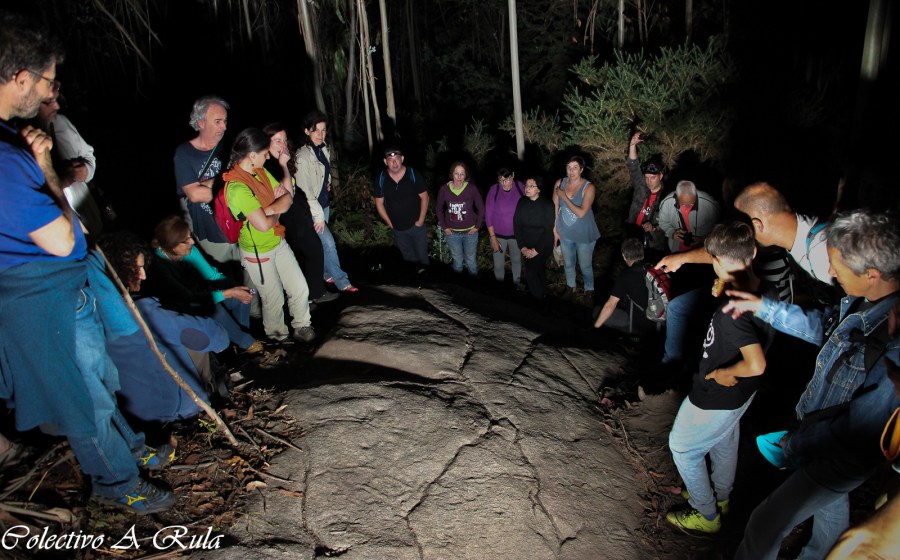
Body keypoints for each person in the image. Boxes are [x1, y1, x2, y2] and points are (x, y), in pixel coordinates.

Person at [0, 13, 173, 514]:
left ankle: (131, 450)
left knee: (100, 379)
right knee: (82, 398)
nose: (53, 90)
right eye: (50, 80)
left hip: (59, 290)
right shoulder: (7, 159)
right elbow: (62, 239)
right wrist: (48, 171)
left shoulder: (12, 141)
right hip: (40, 298)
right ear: (21, 78)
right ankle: (117, 483)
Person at [724, 209, 900, 560]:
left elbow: (860, 430)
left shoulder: (895, 342)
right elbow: (824, 327)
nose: (830, 273)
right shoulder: (862, 300)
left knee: (764, 524)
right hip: (820, 436)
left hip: (838, 452)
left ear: (872, 274)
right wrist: (764, 306)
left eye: (837, 266)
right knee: (829, 511)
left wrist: (794, 444)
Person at [664, 221, 774, 534]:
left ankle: (706, 514)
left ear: (715, 260)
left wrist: (723, 373)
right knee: (724, 439)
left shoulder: (730, 311)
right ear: (753, 252)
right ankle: (721, 497)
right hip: (742, 395)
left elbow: (756, 363)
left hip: (716, 392)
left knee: (683, 448)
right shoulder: (764, 287)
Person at [100, 231, 229, 423]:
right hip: (173, 406)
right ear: (121, 271)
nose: (143, 276)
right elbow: (216, 338)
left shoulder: (91, 313)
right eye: (138, 269)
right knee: (192, 337)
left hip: (128, 413)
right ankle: (208, 393)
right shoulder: (143, 313)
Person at [224, 127, 315, 344]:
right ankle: (278, 339)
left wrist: (269, 210)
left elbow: (288, 199)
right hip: (258, 251)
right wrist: (275, 209)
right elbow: (263, 225)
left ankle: (302, 326)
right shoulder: (237, 188)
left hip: (277, 241)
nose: (268, 157)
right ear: (252, 154)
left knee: (299, 286)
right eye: (265, 153)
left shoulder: (260, 172)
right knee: (272, 299)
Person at [142, 215, 263, 354]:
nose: (192, 241)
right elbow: (190, 299)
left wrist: (236, 288)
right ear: (173, 247)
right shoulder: (159, 267)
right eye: (186, 240)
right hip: (181, 307)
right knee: (214, 309)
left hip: (202, 295)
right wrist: (230, 292)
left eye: (190, 236)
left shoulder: (189, 250)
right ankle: (249, 344)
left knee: (242, 299)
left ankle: (239, 343)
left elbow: (212, 275)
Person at [263, 123, 336, 305]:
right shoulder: (269, 166)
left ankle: (311, 294)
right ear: (266, 143)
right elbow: (289, 194)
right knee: (310, 252)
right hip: (288, 217)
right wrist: (284, 166)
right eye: (277, 140)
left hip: (298, 213)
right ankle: (310, 296)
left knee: (309, 252)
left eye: (284, 140)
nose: (282, 145)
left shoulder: (282, 160)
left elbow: (293, 189)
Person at [293, 111, 358, 293]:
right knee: (328, 243)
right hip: (312, 209)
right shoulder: (302, 157)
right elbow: (304, 190)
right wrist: (318, 216)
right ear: (307, 131)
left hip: (324, 204)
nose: (321, 134)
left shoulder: (324, 149)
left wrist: (326, 184)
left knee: (321, 243)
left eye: (323, 130)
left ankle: (325, 272)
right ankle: (342, 282)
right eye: (316, 131)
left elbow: (325, 171)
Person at [34, 87, 105, 238]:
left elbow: (88, 155)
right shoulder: (18, 141)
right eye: (47, 102)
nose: (56, 106)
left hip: (92, 218)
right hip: (62, 233)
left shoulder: (60, 123)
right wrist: (59, 181)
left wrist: (86, 170)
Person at [173, 95, 234, 268]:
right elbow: (194, 194)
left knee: (251, 279)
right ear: (200, 123)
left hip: (239, 225)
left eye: (225, 121)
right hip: (211, 233)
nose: (224, 126)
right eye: (218, 121)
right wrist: (230, 182)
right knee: (222, 278)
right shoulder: (184, 153)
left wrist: (207, 185)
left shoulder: (229, 146)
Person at [374, 146, 430, 268]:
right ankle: (414, 284)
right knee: (408, 259)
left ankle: (428, 283)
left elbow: (425, 197)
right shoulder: (381, 178)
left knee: (423, 258)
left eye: (397, 158)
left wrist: (420, 221)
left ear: (402, 159)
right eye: (390, 159)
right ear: (385, 161)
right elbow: (379, 203)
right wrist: (389, 223)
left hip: (417, 228)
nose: (394, 162)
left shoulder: (413, 174)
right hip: (397, 229)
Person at [552, 156, 601, 297]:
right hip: (565, 232)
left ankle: (589, 289)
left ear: (581, 169)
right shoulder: (560, 183)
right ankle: (570, 286)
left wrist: (564, 196)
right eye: (569, 167)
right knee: (568, 263)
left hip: (584, 234)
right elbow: (556, 206)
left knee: (585, 265)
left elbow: (581, 213)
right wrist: (555, 228)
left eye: (575, 167)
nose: (571, 171)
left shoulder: (589, 187)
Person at [592, 238, 657, 334]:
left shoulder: (625, 277)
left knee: (597, 311)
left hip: (640, 325)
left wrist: (595, 327)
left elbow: (610, 305)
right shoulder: (655, 269)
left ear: (624, 256)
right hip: (660, 321)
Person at [435, 161, 484, 276]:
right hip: (452, 234)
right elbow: (438, 209)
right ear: (452, 174)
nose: (459, 177)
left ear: (466, 175)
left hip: (470, 233)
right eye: (456, 174)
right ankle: (459, 289)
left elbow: (481, 208)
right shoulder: (444, 189)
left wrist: (477, 226)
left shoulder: (471, 188)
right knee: (457, 263)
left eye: (462, 174)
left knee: (471, 262)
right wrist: (444, 227)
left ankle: (474, 290)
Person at [625, 133, 667, 257]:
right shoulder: (641, 186)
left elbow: (671, 222)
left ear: (661, 176)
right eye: (647, 177)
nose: (649, 181)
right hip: (632, 233)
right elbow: (633, 166)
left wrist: (654, 227)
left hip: (652, 244)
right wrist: (632, 145)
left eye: (653, 177)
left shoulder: (667, 197)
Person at [513, 176, 555, 299]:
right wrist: (522, 247)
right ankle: (543, 293)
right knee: (538, 270)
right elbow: (516, 224)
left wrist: (536, 251)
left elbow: (548, 231)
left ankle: (538, 300)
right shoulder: (522, 202)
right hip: (526, 246)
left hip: (543, 246)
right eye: (526, 185)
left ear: (539, 189)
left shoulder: (547, 205)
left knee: (530, 273)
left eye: (531, 186)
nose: (527, 188)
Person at [656, 180, 721, 254]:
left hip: (702, 251)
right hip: (676, 251)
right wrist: (672, 232)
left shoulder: (710, 204)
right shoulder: (667, 202)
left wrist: (703, 239)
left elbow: (720, 229)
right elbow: (662, 221)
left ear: (696, 193)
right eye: (683, 204)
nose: (687, 207)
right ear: (677, 196)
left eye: (691, 203)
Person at [485, 167, 525, 283]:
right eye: (501, 180)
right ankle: (500, 288)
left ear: (513, 175)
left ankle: (516, 286)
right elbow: (488, 215)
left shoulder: (520, 186)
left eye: (507, 179)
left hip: (516, 234)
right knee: (498, 264)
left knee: (516, 261)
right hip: (498, 235)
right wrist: (493, 238)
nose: (504, 183)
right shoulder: (494, 189)